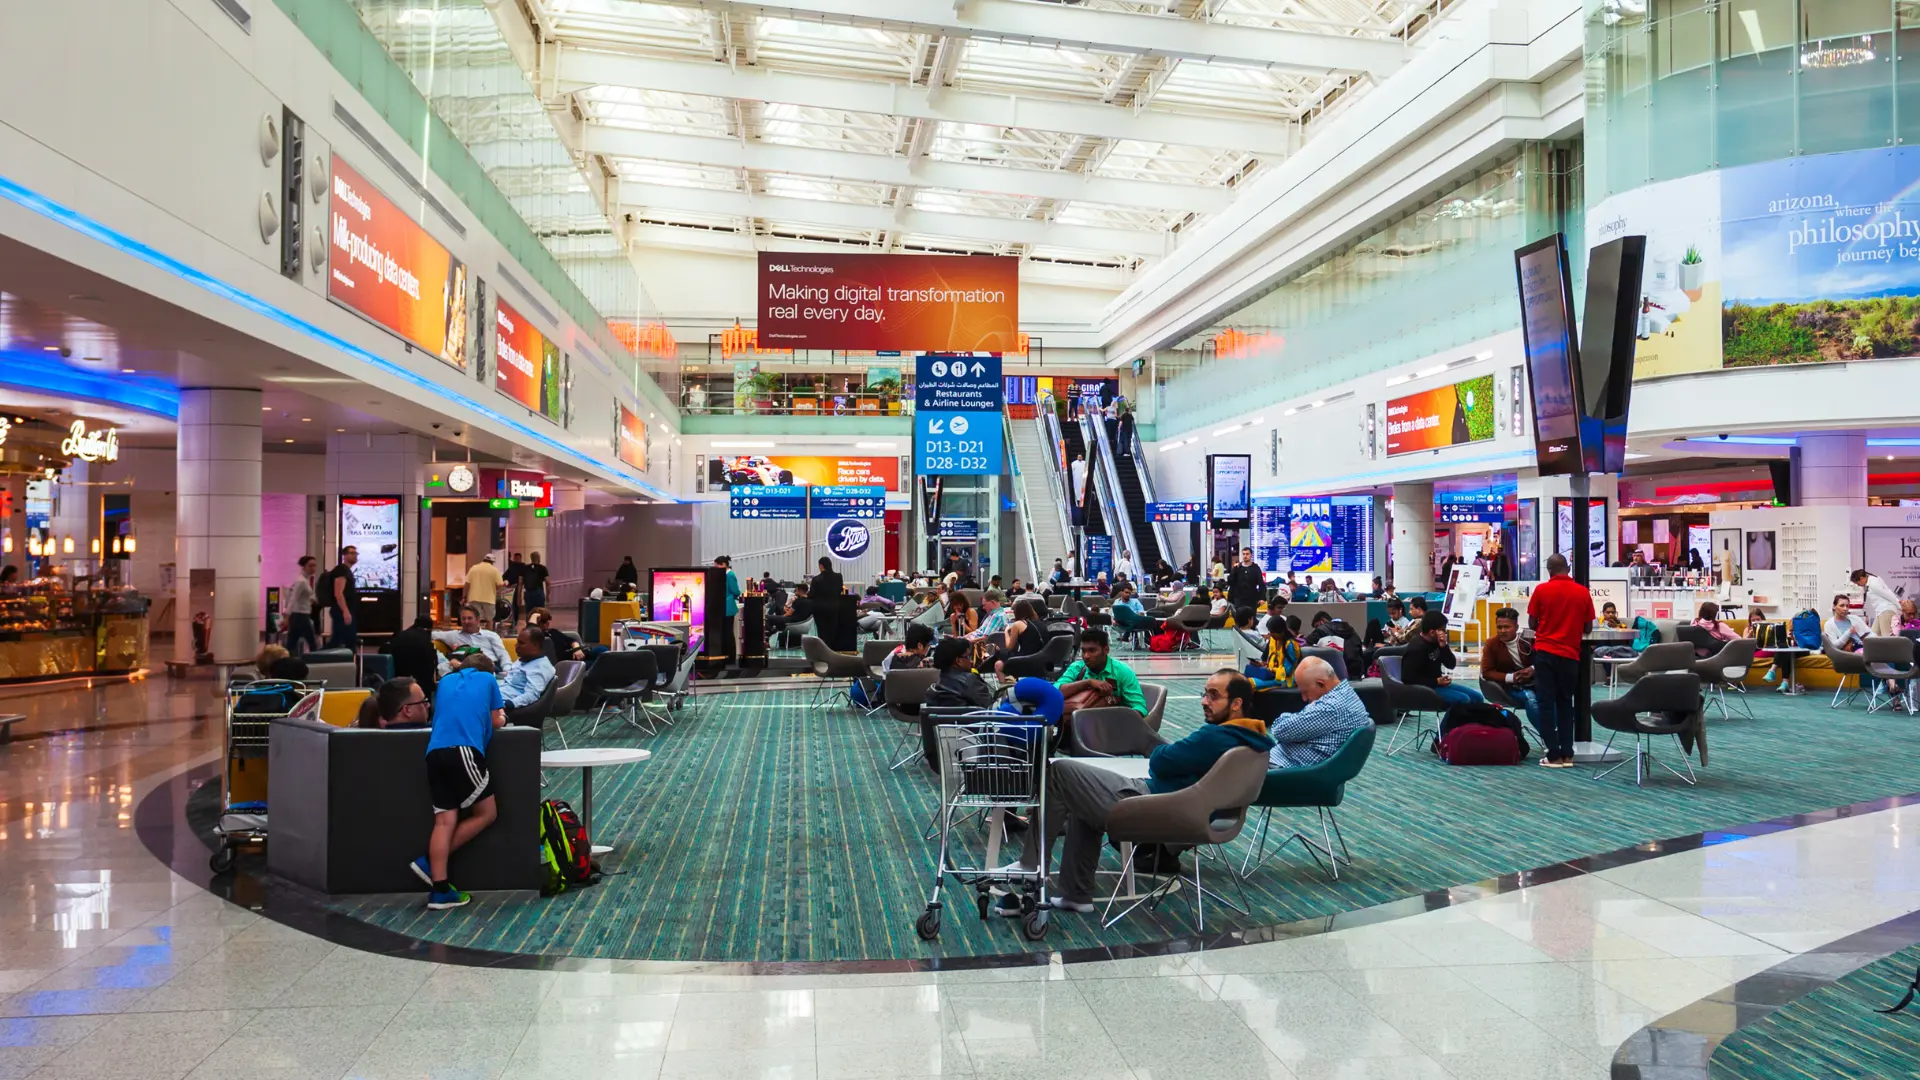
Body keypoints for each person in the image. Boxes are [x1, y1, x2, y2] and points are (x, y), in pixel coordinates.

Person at [1006, 668, 1273, 915]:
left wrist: (1166, 757)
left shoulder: (1215, 737)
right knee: (1080, 794)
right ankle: (1075, 893)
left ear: (1236, 703)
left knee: (1061, 772)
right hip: (1189, 809)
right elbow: (1175, 761)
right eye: (1205, 693)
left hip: (1151, 803)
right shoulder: (1254, 740)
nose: (1204, 701)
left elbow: (1160, 761)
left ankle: (1031, 863)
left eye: (1213, 695)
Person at [409, 647, 506, 910]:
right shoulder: (488, 679)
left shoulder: (447, 681)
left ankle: (440, 890)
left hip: (435, 753)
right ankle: (430, 861)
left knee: (445, 821)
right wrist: (502, 716)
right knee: (487, 812)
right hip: (463, 751)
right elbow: (497, 720)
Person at [1527, 552, 1593, 769]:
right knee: (1566, 703)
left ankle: (1553, 754)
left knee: (1546, 703)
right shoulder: (1582, 592)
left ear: (1549, 570)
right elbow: (1588, 627)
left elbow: (1533, 623)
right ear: (1568, 568)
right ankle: (1567, 754)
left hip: (1546, 652)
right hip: (1570, 655)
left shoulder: (1542, 590)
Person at [1268, 657, 1372, 769]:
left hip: (1287, 769)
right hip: (1310, 765)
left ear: (1321, 684)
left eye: (1305, 692)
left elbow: (1279, 730)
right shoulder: (1348, 694)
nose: (1304, 698)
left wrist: (1288, 716)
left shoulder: (1329, 708)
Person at [1054, 628, 1145, 726]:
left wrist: (1121, 723)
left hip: (1112, 727)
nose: (1086, 656)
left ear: (1106, 650)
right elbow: (1055, 693)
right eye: (1083, 651)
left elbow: (1139, 707)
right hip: (1077, 726)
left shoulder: (1122, 672)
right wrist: (1087, 683)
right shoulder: (1077, 668)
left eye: (1092, 651)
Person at [1402, 610, 1485, 709]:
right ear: (1432, 632)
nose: (1445, 633)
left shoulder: (1436, 642)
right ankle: (1452, 723)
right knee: (1463, 700)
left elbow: (1451, 664)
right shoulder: (1416, 648)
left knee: (1477, 698)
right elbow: (1407, 678)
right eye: (1443, 630)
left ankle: (1472, 723)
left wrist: (1444, 647)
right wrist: (1435, 681)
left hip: (1437, 685)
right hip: (1423, 688)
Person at [1481, 607, 1540, 735]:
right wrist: (1511, 677)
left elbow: (1543, 660)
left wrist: (1532, 669)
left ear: (1517, 627)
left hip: (1535, 682)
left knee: (1551, 696)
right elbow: (1486, 672)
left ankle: (1560, 731)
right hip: (1508, 687)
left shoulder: (1528, 641)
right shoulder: (1492, 644)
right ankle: (1549, 735)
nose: (1502, 631)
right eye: (1499, 627)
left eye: (1507, 627)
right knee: (1530, 699)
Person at [433, 603, 511, 675]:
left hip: (491, 667)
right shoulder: (453, 635)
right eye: (463, 619)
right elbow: (431, 634)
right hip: (467, 669)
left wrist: (507, 671)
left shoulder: (491, 635)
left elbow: (502, 654)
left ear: (477, 620)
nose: (466, 621)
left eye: (470, 618)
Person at [500, 626, 556, 718]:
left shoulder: (540, 667)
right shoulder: (524, 659)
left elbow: (531, 695)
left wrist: (508, 704)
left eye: (521, 643)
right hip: (499, 695)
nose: (516, 645)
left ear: (536, 645)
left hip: (506, 704)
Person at [925, 636, 994, 709]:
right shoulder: (970, 680)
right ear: (958, 661)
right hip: (971, 720)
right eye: (967, 657)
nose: (971, 661)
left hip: (941, 720)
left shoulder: (937, 684)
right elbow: (991, 708)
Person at [984, 598, 1048, 674]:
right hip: (1041, 659)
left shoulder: (1018, 624)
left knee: (1000, 653)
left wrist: (1006, 632)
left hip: (1026, 658)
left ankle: (981, 670)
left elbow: (1009, 647)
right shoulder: (1042, 624)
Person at [383, 614, 441, 695]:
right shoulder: (426, 641)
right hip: (420, 686)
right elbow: (433, 664)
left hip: (398, 683)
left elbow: (384, 650)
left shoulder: (400, 635)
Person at [357, 676, 430, 729]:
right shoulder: (433, 736)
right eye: (424, 702)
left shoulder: (369, 742)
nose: (428, 705)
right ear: (407, 710)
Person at [1247, 616, 1300, 688]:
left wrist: (1271, 670)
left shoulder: (1290, 645)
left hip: (1283, 681)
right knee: (1242, 679)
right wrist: (1260, 664)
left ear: (1281, 631)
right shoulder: (1272, 640)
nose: (1270, 634)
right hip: (1270, 676)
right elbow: (1267, 660)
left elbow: (1287, 671)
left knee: (1250, 683)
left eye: (1272, 632)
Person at [282, 555, 320, 655]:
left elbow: (306, 595)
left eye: (314, 565)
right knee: (312, 643)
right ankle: (316, 663)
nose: (313, 568)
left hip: (300, 615)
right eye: (310, 566)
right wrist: (287, 615)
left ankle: (286, 662)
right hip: (300, 616)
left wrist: (312, 599)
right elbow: (293, 598)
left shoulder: (305, 580)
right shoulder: (301, 581)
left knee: (292, 643)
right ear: (304, 567)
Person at [324, 545, 359, 650]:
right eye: (352, 553)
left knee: (340, 640)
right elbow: (338, 593)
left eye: (356, 553)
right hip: (341, 610)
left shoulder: (346, 571)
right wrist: (345, 611)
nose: (355, 556)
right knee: (346, 640)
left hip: (344, 610)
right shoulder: (341, 570)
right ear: (344, 555)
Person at [1853, 569, 1902, 636]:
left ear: (1861, 578)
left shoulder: (1873, 583)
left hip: (1886, 610)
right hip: (1881, 612)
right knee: (1873, 637)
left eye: (1858, 583)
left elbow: (1888, 595)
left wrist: (1899, 606)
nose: (1858, 585)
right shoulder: (1871, 581)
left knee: (1887, 637)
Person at [464, 553, 505, 625]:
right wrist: (503, 584)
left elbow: (467, 584)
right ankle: (488, 635)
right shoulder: (494, 570)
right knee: (490, 620)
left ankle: (476, 635)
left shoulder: (473, 568)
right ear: (492, 562)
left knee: (476, 618)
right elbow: (500, 586)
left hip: (474, 598)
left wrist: (464, 597)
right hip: (489, 599)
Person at [715, 554, 741, 658]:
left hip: (728, 606)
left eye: (718, 566)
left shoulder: (730, 575)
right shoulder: (725, 575)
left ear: (724, 564)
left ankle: (730, 655)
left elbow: (736, 591)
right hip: (723, 606)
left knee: (728, 632)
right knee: (724, 631)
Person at [1225, 547, 1264, 613]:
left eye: (1247, 554)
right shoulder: (1237, 567)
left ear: (1251, 555)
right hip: (1239, 599)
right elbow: (1230, 581)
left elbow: (1261, 583)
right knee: (1239, 618)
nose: (1245, 556)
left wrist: (1262, 598)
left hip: (1251, 598)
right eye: (1243, 554)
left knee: (1251, 619)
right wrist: (1234, 570)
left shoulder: (1255, 568)